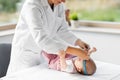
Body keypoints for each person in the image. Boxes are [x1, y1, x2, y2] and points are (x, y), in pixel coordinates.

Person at [7, 0, 90, 75]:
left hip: (41, 53)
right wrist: (75, 51)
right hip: (25, 56)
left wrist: (78, 42)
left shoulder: (59, 5)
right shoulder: (32, 5)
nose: (64, 1)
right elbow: (42, 39)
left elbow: (62, 30)